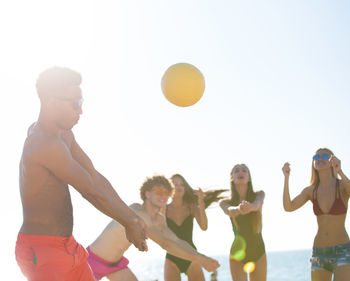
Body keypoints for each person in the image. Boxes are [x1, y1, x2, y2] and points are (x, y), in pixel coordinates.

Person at [15, 67, 147, 281]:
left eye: (81, 102)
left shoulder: (64, 135)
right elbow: (89, 191)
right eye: (75, 103)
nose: (81, 111)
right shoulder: (44, 144)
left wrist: (131, 216)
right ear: (51, 101)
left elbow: (94, 176)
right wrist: (128, 223)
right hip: (42, 252)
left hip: (67, 246)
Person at [87, 175, 220, 281]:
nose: (163, 196)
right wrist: (199, 260)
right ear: (147, 194)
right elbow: (165, 243)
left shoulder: (160, 219)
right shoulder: (137, 211)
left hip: (115, 265)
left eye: (166, 193)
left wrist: (201, 256)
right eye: (159, 192)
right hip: (90, 261)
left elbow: (176, 240)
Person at [282, 148, 350, 281]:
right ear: (313, 164)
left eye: (324, 156)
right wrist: (286, 178)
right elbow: (288, 207)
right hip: (319, 252)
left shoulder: (341, 185)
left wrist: (340, 171)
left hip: (342, 250)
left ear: (332, 161)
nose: (319, 159)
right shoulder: (310, 190)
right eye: (315, 157)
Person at [164, 174, 226, 281]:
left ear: (185, 188)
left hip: (192, 256)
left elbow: (204, 226)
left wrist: (200, 202)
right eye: (175, 184)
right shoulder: (164, 209)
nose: (178, 187)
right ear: (169, 189)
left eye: (181, 185)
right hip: (172, 257)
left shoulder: (191, 207)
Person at [219, 164, 266, 281]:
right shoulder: (225, 202)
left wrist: (250, 207)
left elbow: (257, 205)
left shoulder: (259, 195)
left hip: (258, 251)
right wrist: (239, 209)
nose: (241, 172)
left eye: (244, 170)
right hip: (237, 253)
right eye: (236, 171)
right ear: (232, 178)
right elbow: (230, 211)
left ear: (249, 178)